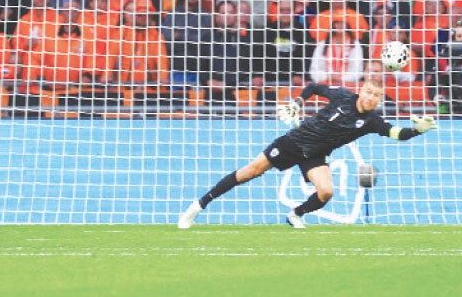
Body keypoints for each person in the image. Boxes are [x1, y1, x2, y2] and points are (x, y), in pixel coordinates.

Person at [178, 78, 438, 229]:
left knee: (326, 191)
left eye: (377, 95)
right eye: (369, 91)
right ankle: (198, 206)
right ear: (361, 90)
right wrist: (297, 102)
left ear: (379, 100)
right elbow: (313, 86)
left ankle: (296, 214)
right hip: (294, 142)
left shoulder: (372, 121)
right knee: (249, 172)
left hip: (315, 155)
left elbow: (397, 133)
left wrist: (418, 130)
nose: (371, 97)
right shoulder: (342, 96)